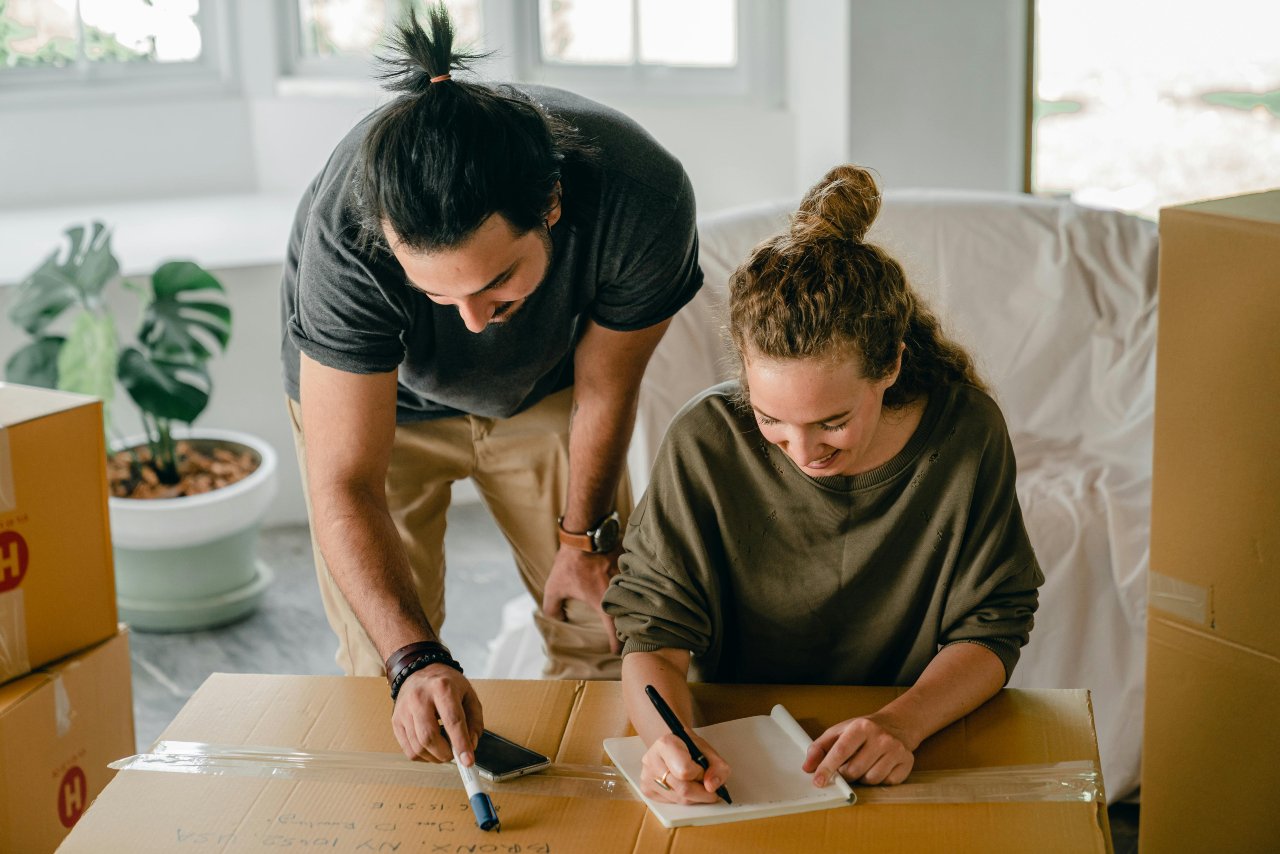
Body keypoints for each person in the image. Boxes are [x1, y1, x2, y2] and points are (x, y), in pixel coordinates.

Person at [279, 5, 702, 770]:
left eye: (498, 282)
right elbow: (346, 480)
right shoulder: (344, 232)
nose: (473, 323)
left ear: (550, 206)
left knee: (601, 629)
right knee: (389, 667)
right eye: (439, 296)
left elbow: (606, 390)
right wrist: (413, 659)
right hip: (379, 409)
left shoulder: (644, 198)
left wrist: (583, 538)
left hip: (546, 392)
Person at [602, 165, 1043, 804]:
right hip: (735, 752)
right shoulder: (704, 440)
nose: (803, 453)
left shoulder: (965, 432)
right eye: (770, 420)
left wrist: (902, 722)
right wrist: (665, 740)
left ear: (890, 362)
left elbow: (993, 626)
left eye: (832, 422)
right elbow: (654, 636)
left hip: (903, 744)